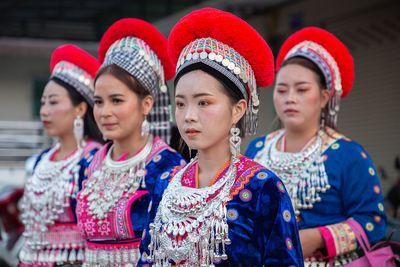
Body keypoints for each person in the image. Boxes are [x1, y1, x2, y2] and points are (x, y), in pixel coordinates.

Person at [139, 8, 303, 266]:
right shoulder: (165, 183)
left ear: (237, 109)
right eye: (181, 104)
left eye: (203, 103)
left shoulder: (263, 189)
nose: (189, 116)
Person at [245, 27, 387, 266]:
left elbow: (373, 221)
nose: (290, 98)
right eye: (281, 90)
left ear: (324, 97)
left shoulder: (349, 155)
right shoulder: (257, 149)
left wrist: (319, 237)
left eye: (302, 90)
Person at [75, 18, 185, 267]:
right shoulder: (89, 163)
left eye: (116, 100)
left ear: (147, 103)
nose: (104, 112)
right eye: (99, 101)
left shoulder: (168, 166)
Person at [19, 44, 103, 266]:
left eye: (53, 102)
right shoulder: (40, 160)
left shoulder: (95, 159)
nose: (44, 111)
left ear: (80, 109)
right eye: (43, 102)